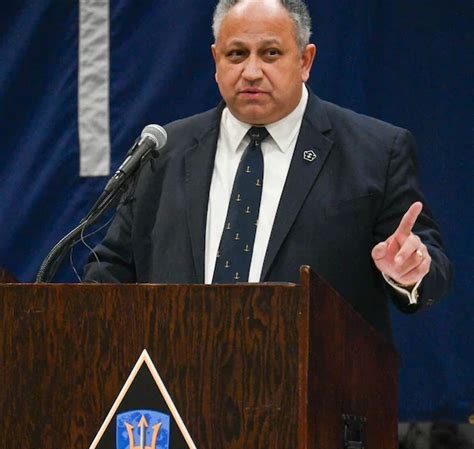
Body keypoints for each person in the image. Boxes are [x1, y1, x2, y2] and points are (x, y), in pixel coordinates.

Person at [84, 0, 452, 336]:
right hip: (177, 374)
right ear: (215, 61)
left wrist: (409, 272)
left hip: (317, 377)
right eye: (236, 54)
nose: (251, 71)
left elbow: (428, 266)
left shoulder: (375, 151)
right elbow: (110, 269)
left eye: (270, 53)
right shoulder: (163, 151)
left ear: (305, 61)